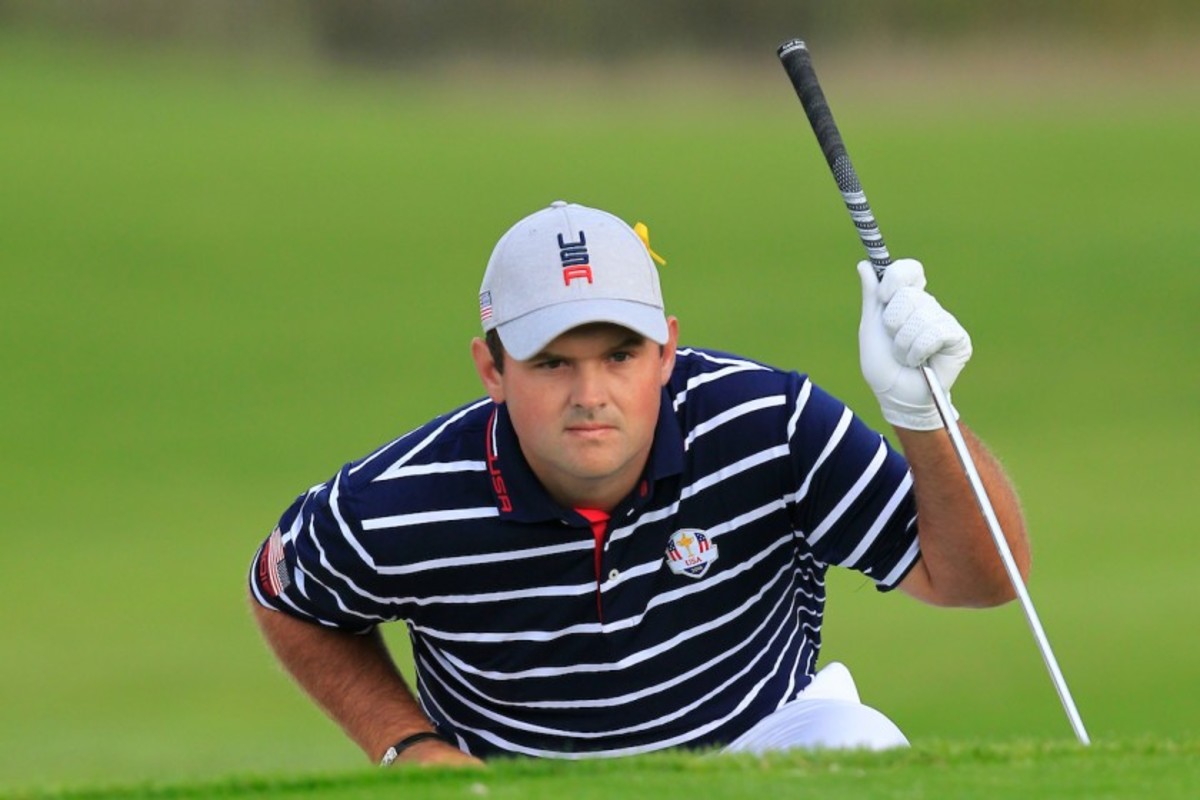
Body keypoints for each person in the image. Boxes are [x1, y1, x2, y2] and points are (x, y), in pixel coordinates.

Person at [248, 200, 1029, 767]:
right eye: (553, 362)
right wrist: (408, 745)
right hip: (523, 785)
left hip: (759, 748)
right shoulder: (405, 497)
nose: (591, 393)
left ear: (666, 351)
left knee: (862, 749)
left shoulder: (769, 425)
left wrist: (925, 414)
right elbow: (283, 596)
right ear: (492, 368)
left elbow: (980, 579)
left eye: (620, 355)